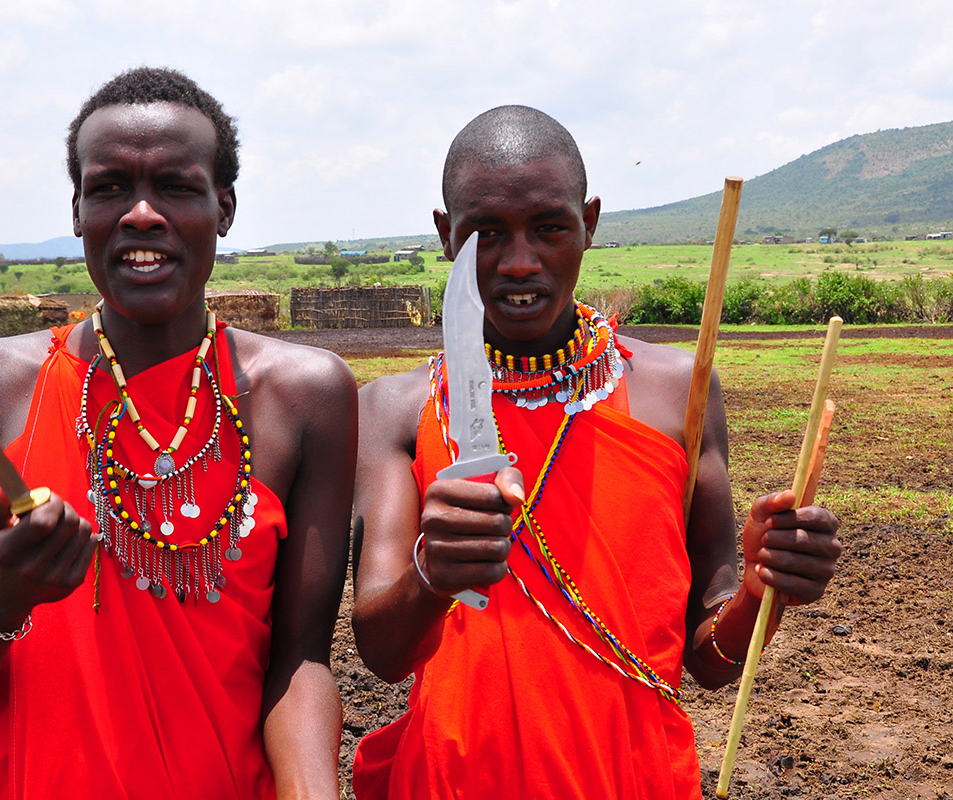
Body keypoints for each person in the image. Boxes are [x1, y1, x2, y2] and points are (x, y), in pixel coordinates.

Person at [350, 106, 842, 799]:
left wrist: (764, 587)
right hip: (453, 781)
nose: (520, 261)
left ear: (591, 223)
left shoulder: (677, 392)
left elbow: (709, 660)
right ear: (443, 235)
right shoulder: (396, 410)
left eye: (550, 227)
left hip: (633, 779)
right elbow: (381, 653)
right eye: (485, 234)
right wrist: (432, 574)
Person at [0, 67, 356, 800]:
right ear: (77, 211)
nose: (141, 213)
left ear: (224, 208)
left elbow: (299, 664)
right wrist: (0, 597)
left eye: (175, 185)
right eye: (109, 187)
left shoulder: (304, 396)